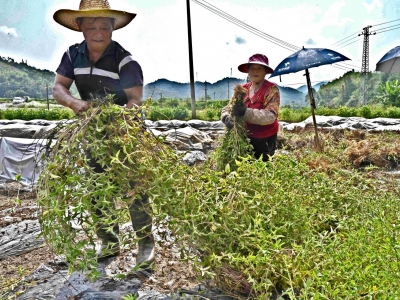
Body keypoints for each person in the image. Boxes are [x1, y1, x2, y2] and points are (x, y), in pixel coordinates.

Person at [52, 0, 155, 267]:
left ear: (112, 28)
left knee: (135, 186)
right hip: (94, 131)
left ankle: (145, 243)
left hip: (127, 131)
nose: (98, 33)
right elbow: (59, 87)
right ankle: (109, 242)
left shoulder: (124, 60)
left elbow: (135, 100)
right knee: (98, 187)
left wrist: (118, 123)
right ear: (80, 27)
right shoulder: (72, 55)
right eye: (91, 26)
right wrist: (75, 103)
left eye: (104, 27)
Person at [221, 54, 280, 161]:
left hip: (265, 138)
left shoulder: (271, 89)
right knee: (245, 166)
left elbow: (270, 116)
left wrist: (245, 112)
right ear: (248, 71)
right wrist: (226, 117)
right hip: (245, 137)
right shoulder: (242, 89)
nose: (255, 71)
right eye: (252, 68)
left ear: (265, 71)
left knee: (263, 167)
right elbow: (229, 107)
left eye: (259, 68)